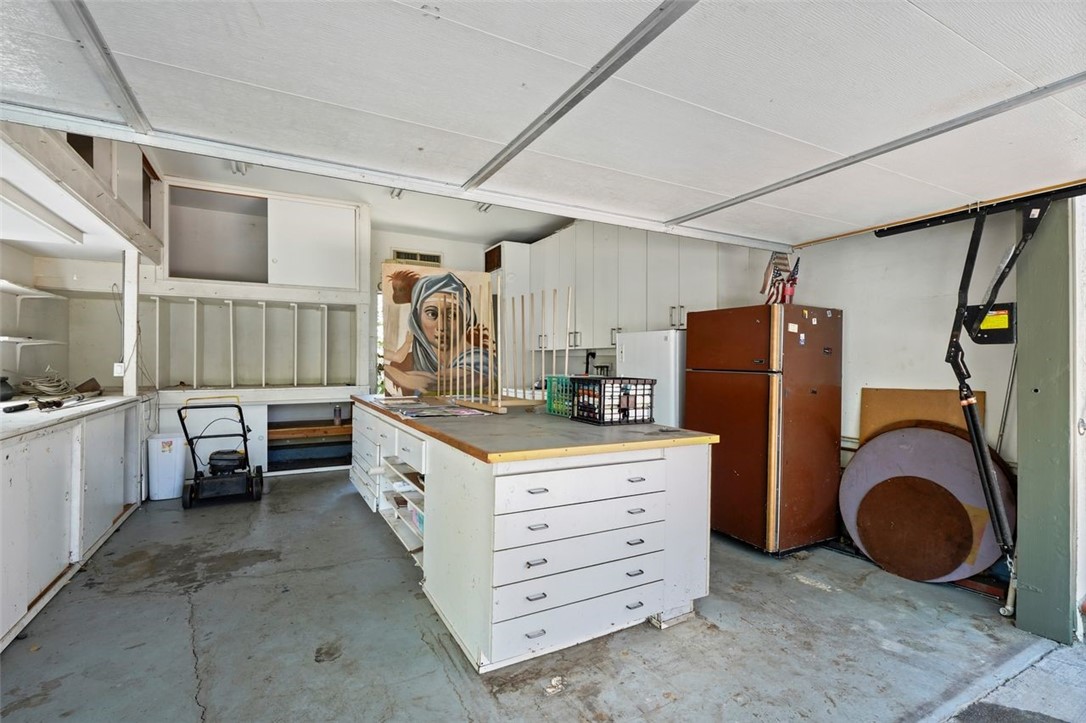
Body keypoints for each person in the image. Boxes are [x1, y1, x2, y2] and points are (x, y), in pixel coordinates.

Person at [383, 270, 491, 396]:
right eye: (431, 314)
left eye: (452, 314)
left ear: (465, 318)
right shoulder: (409, 361)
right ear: (417, 321)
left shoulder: (480, 361)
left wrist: (392, 372)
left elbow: (432, 382)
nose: (442, 326)